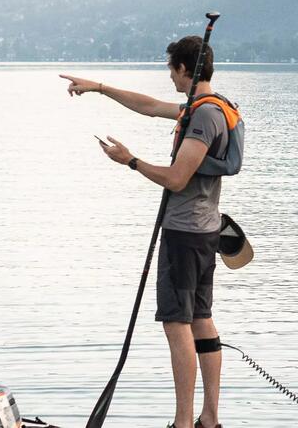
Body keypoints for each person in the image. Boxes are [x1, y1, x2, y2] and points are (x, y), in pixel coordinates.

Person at [60, 36, 232, 428]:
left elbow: (176, 178)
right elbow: (150, 107)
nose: (169, 76)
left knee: (178, 323)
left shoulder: (204, 117)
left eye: (171, 69)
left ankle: (184, 423)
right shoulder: (208, 107)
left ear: (184, 70)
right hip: (204, 231)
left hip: (185, 233)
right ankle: (208, 419)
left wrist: (131, 161)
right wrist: (99, 88)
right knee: (201, 318)